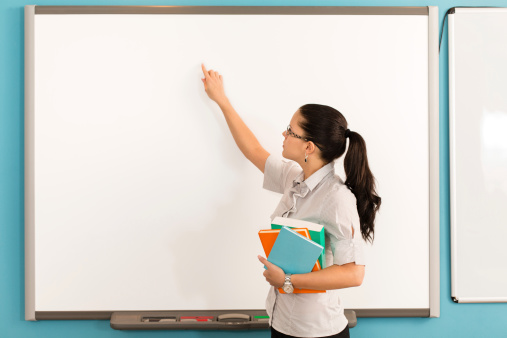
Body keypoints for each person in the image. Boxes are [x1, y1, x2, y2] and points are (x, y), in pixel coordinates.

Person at [200, 64, 381, 338]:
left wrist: (287, 281)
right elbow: (253, 150)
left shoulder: (336, 198)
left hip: (317, 332)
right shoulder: (292, 178)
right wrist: (222, 100)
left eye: (290, 130)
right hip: (282, 323)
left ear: (309, 147)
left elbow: (354, 274)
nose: (283, 135)